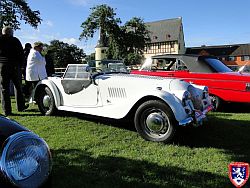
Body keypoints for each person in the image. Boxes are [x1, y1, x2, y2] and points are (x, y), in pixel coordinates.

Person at [0, 26, 28, 116]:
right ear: (11, 32)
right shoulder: (15, 40)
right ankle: (21, 106)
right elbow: (21, 54)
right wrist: (21, 65)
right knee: (18, 86)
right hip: (15, 65)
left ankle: (6, 110)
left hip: (2, 66)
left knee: (4, 88)